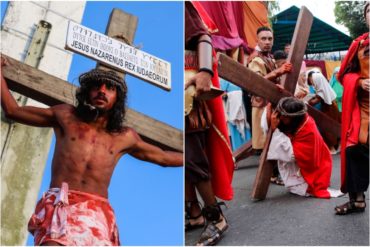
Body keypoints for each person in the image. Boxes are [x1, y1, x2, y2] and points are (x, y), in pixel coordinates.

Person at [1, 58, 183, 246]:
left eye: (109, 88)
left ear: (117, 99)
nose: (102, 91)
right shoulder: (66, 116)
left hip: (96, 211)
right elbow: (13, 111)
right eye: (97, 86)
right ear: (87, 92)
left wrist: (195, 155)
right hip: (61, 204)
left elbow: (164, 157)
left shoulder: (124, 137)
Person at [184, 2, 233, 245]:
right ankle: (194, 213)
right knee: (176, 157)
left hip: (187, 97)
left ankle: (216, 217)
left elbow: (202, 36)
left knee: (193, 158)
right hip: (165, 91)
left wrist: (204, 71)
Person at [335, 2, 369, 215]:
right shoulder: (359, 44)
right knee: (353, 147)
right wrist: (358, 82)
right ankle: (357, 199)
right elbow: (343, 74)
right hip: (364, 107)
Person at [247, 26, 292, 185]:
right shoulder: (255, 59)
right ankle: (270, 175)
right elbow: (256, 84)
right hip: (261, 105)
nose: (267, 42)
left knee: (273, 139)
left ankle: (274, 174)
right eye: (263, 39)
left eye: (270, 39)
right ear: (257, 40)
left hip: (271, 103)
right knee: (267, 140)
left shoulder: (269, 57)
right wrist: (278, 72)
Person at [267, 97, 333, 198]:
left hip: (314, 167)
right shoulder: (297, 120)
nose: (281, 118)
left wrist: (275, 130)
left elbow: (291, 156)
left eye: (285, 117)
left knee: (297, 187)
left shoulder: (308, 130)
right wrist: (269, 106)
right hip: (306, 161)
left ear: (294, 118)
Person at [307, 69, 341, 153]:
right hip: (332, 109)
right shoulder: (324, 88)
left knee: (329, 129)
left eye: (312, 80)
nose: (312, 82)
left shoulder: (321, 91)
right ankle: (336, 146)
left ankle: (332, 147)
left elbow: (313, 102)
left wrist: (306, 100)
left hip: (329, 111)